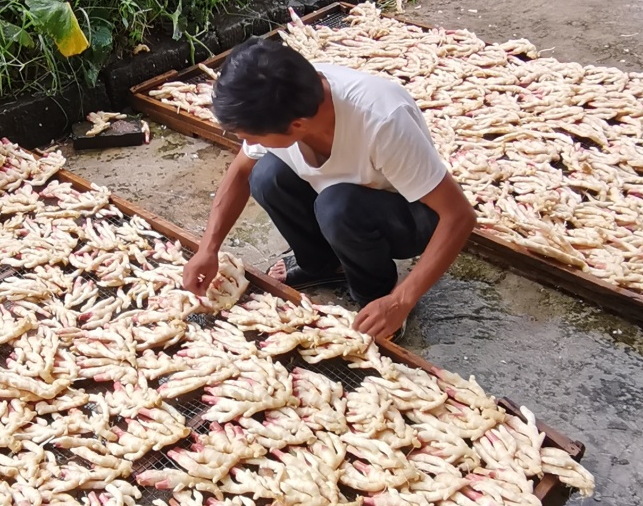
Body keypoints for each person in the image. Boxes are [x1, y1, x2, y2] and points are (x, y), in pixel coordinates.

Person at [182, 33, 476, 341]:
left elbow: (459, 216)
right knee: (266, 176)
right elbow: (242, 170)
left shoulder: (381, 121)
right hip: (341, 197)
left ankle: (376, 294)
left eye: (253, 135)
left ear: (296, 125)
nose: (249, 143)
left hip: (409, 215)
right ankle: (320, 264)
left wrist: (402, 299)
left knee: (337, 206)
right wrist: (208, 249)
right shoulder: (280, 97)